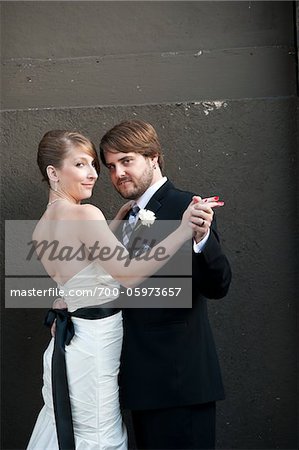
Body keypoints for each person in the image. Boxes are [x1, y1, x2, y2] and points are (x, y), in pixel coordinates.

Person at [26, 130, 207, 450]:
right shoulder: (85, 214)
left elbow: (80, 268)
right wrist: (182, 230)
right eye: (80, 164)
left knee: (74, 427)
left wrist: (111, 227)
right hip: (94, 346)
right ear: (53, 172)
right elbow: (127, 274)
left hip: (70, 345)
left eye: (93, 165)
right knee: (96, 434)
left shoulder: (42, 225)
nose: (93, 173)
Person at [99, 120, 232, 449]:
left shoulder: (185, 206)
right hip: (140, 385)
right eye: (111, 167)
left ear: (153, 157)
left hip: (179, 384)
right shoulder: (125, 215)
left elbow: (218, 286)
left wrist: (201, 240)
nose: (118, 174)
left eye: (126, 161)